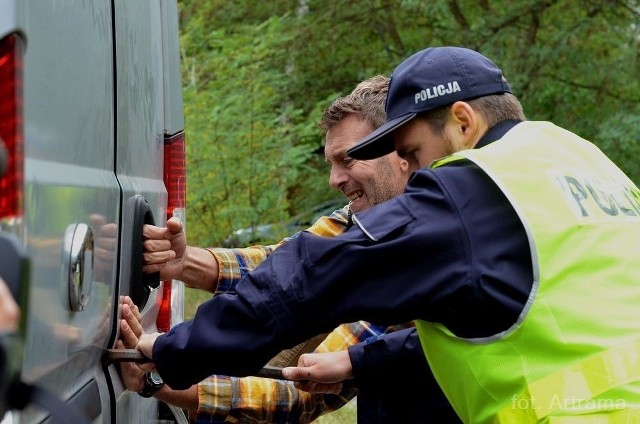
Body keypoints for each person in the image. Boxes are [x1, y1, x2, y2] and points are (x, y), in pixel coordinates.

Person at [137, 46, 640, 423]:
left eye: (415, 152)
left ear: (462, 122)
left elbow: (312, 277)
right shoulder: (584, 164)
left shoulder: (471, 191)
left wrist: (172, 354)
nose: (413, 168)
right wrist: (359, 359)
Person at [119, 75, 459, 422]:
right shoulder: (366, 216)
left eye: (347, 159)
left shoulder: (418, 252)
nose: (334, 179)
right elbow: (287, 270)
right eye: (331, 163)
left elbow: (302, 391)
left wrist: (156, 380)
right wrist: (187, 262)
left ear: (399, 151)